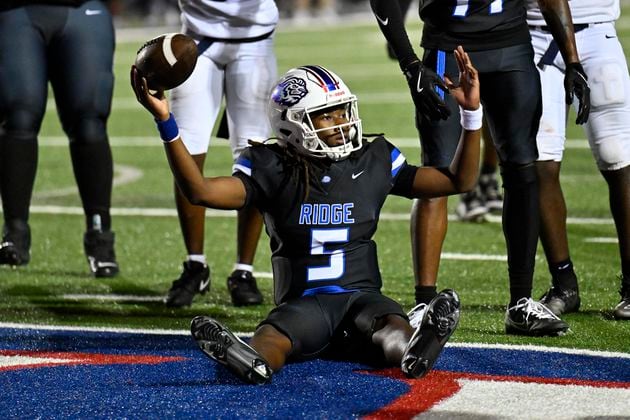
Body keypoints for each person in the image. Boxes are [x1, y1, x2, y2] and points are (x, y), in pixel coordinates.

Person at [131, 48, 481, 383]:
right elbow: (200, 191)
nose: (341, 123)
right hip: (304, 306)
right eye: (326, 116)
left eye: (342, 111)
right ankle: (253, 359)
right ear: (291, 125)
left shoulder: (372, 158)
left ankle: (411, 349)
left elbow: (457, 180)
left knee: (393, 326)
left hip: (361, 300)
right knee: (273, 337)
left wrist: (471, 114)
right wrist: (166, 120)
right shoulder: (272, 167)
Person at [370, 0, 590, 336]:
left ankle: (521, 303)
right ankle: (424, 302)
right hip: (446, 48)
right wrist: (410, 64)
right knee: (438, 173)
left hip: (511, 47)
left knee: (523, 170)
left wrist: (572, 60)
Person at [164, 0, 279, 308]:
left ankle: (244, 270)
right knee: (187, 151)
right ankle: (195, 264)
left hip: (255, 41)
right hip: (196, 39)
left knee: (255, 156)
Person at [0, 0, 118, 277]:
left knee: (90, 121)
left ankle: (100, 235)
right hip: (16, 10)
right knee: (18, 114)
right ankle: (15, 231)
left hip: (83, 9)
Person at [528, 0, 630, 320]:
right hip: (533, 34)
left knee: (619, 156)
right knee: (540, 161)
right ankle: (564, 284)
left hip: (598, 33)